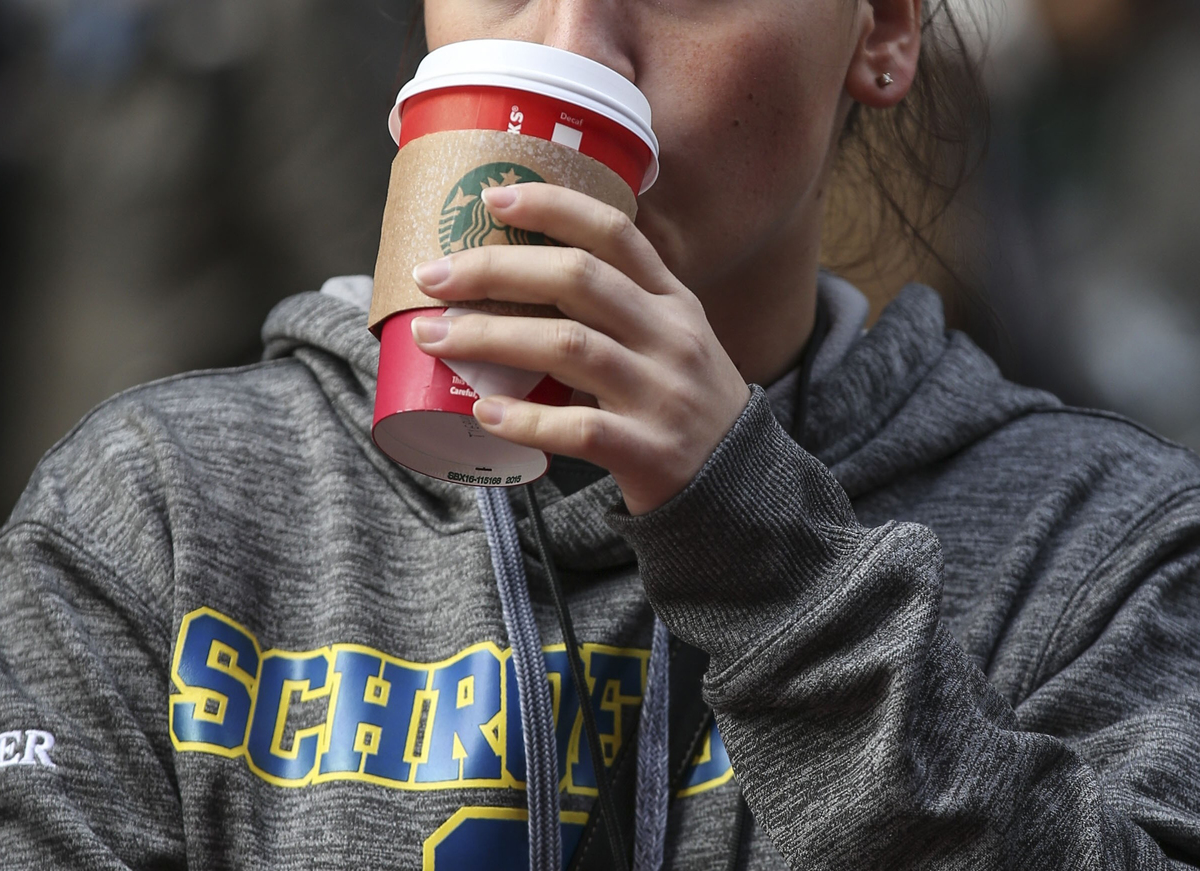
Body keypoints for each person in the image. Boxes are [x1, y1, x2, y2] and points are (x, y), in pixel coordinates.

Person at [2, 0, 1199, 867]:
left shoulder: (1097, 542)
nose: (569, 51)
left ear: (881, 32)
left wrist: (768, 564)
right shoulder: (157, 516)